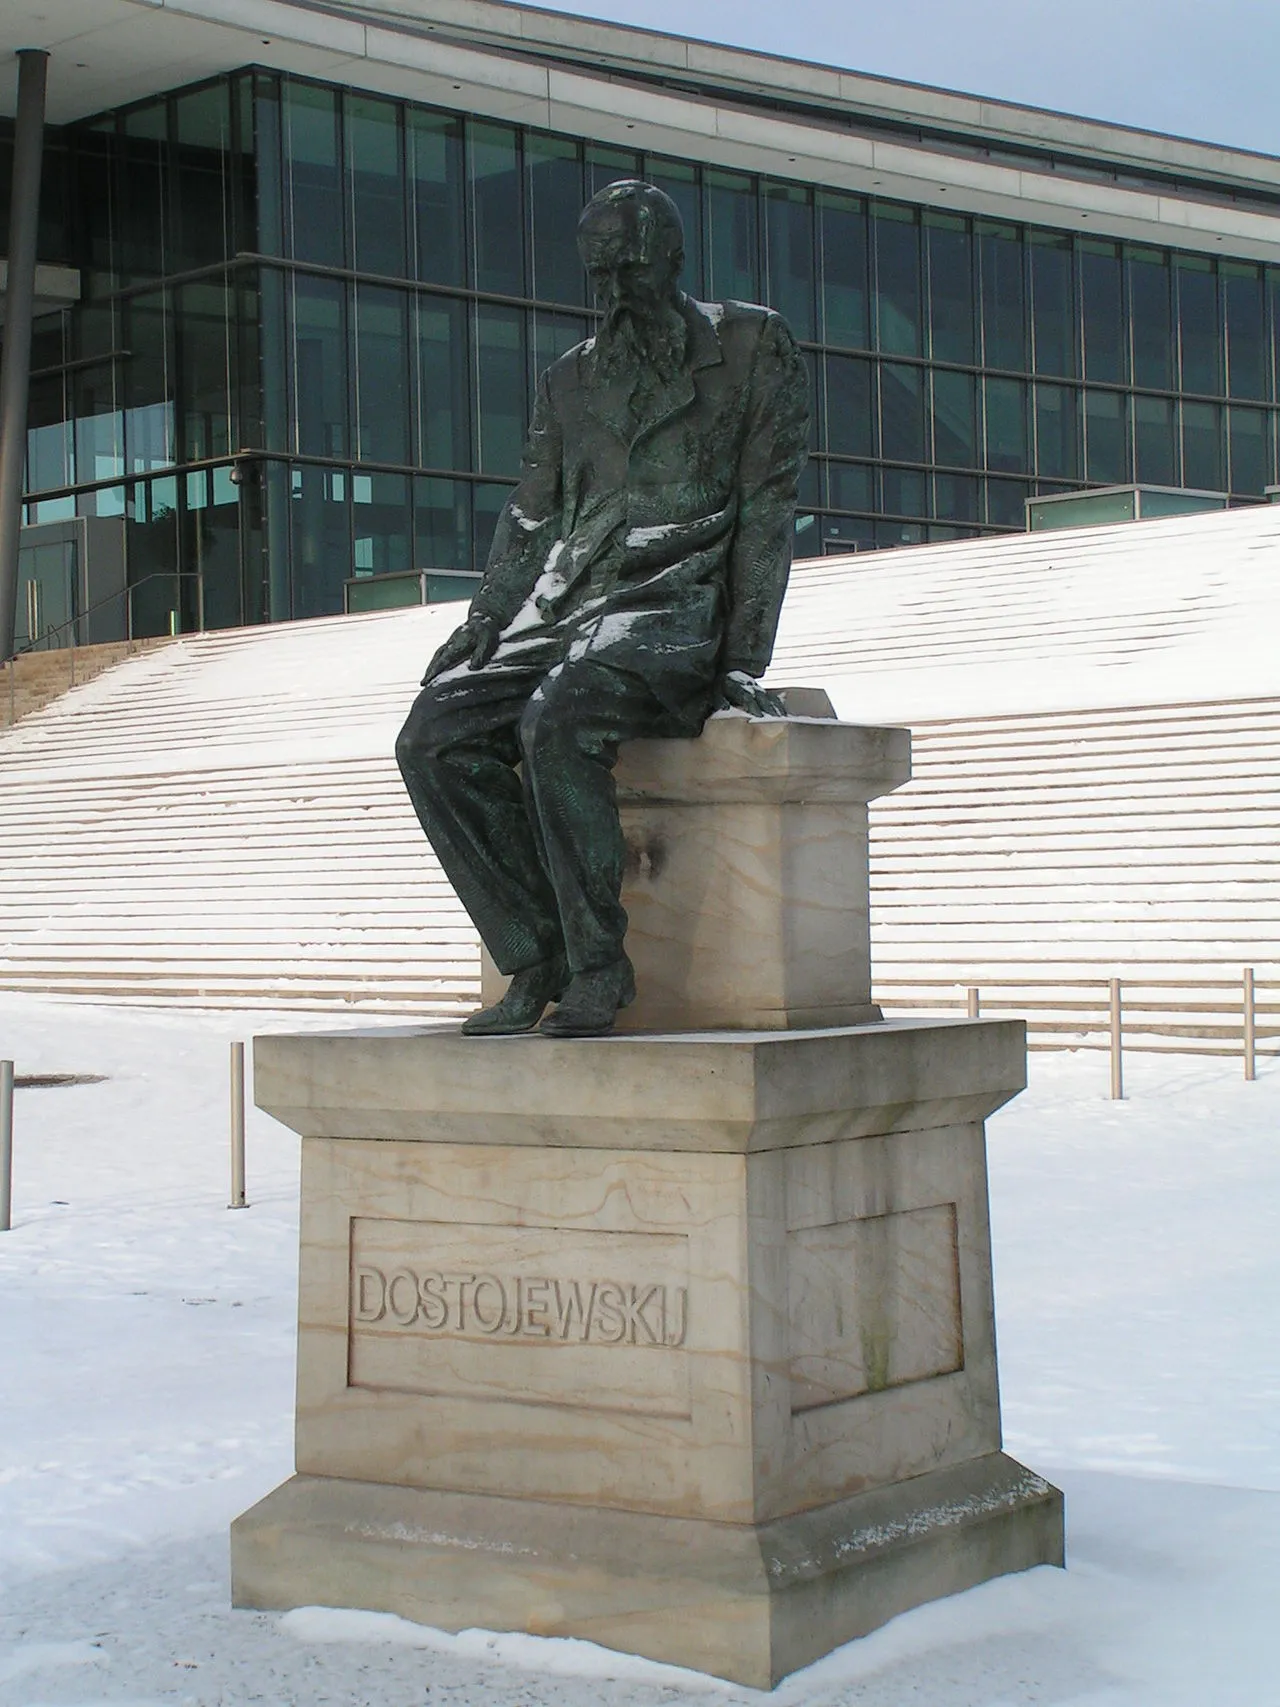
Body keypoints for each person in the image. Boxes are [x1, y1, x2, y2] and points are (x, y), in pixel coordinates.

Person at [396, 178, 809, 1037]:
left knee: (558, 717)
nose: (616, 293)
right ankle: (531, 950)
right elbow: (531, 512)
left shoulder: (750, 345)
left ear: (672, 257)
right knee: (431, 734)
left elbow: (767, 507)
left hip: (672, 604)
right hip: (562, 600)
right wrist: (483, 619)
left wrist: (743, 657)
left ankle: (596, 966)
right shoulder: (569, 381)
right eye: (600, 276)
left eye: (630, 269)